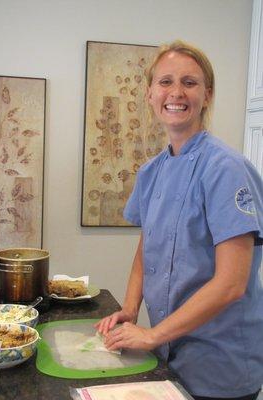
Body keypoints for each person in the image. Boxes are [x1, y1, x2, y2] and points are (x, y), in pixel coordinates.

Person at [96, 40, 263, 400]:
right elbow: (147, 248)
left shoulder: (226, 169)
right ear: (150, 93)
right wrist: (129, 308)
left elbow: (232, 283)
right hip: (170, 354)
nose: (176, 92)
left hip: (219, 363)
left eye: (189, 82)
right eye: (165, 82)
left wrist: (153, 335)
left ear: (207, 94)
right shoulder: (151, 172)